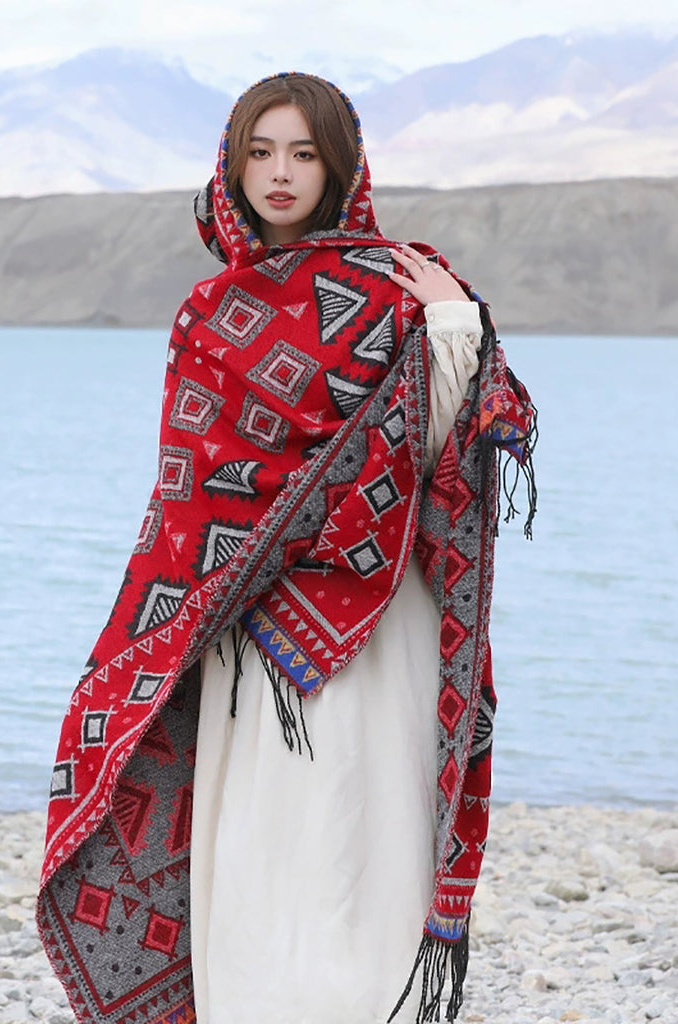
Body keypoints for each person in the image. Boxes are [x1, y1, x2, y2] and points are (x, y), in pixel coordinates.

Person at [36, 73, 535, 1024]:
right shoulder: (206, 313)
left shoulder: (403, 286)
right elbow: (189, 494)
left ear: (340, 165)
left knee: (365, 830)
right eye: (260, 152)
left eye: (304, 153)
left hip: (379, 613)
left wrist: (453, 327)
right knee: (263, 842)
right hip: (246, 627)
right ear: (231, 167)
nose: (280, 173)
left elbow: (445, 456)